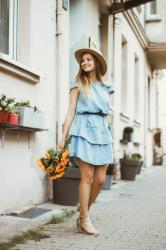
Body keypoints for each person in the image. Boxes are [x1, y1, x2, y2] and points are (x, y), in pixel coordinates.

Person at [58, 48, 114, 236]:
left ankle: (83, 211)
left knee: (99, 180)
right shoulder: (77, 84)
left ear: (96, 62)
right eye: (83, 61)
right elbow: (70, 111)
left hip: (102, 131)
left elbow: (108, 112)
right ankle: (84, 219)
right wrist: (62, 136)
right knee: (87, 177)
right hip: (83, 129)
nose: (85, 63)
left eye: (89, 59)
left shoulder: (107, 87)